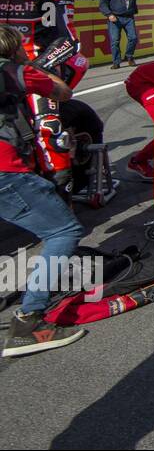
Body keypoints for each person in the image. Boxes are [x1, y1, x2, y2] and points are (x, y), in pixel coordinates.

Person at [0, 25, 87, 357]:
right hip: (5, 169)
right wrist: (35, 67)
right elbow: (62, 94)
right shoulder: (18, 72)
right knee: (64, 230)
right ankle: (29, 321)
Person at [0, 0, 86, 189]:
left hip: (40, 66)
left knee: (48, 128)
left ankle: (61, 194)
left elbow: (68, 41)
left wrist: (35, 67)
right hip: (4, 68)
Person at [99, 0, 138, 68]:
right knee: (115, 40)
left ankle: (129, 56)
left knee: (133, 38)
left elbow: (133, 0)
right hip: (115, 17)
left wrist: (134, 11)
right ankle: (116, 61)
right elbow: (103, 4)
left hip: (128, 17)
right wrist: (109, 14)